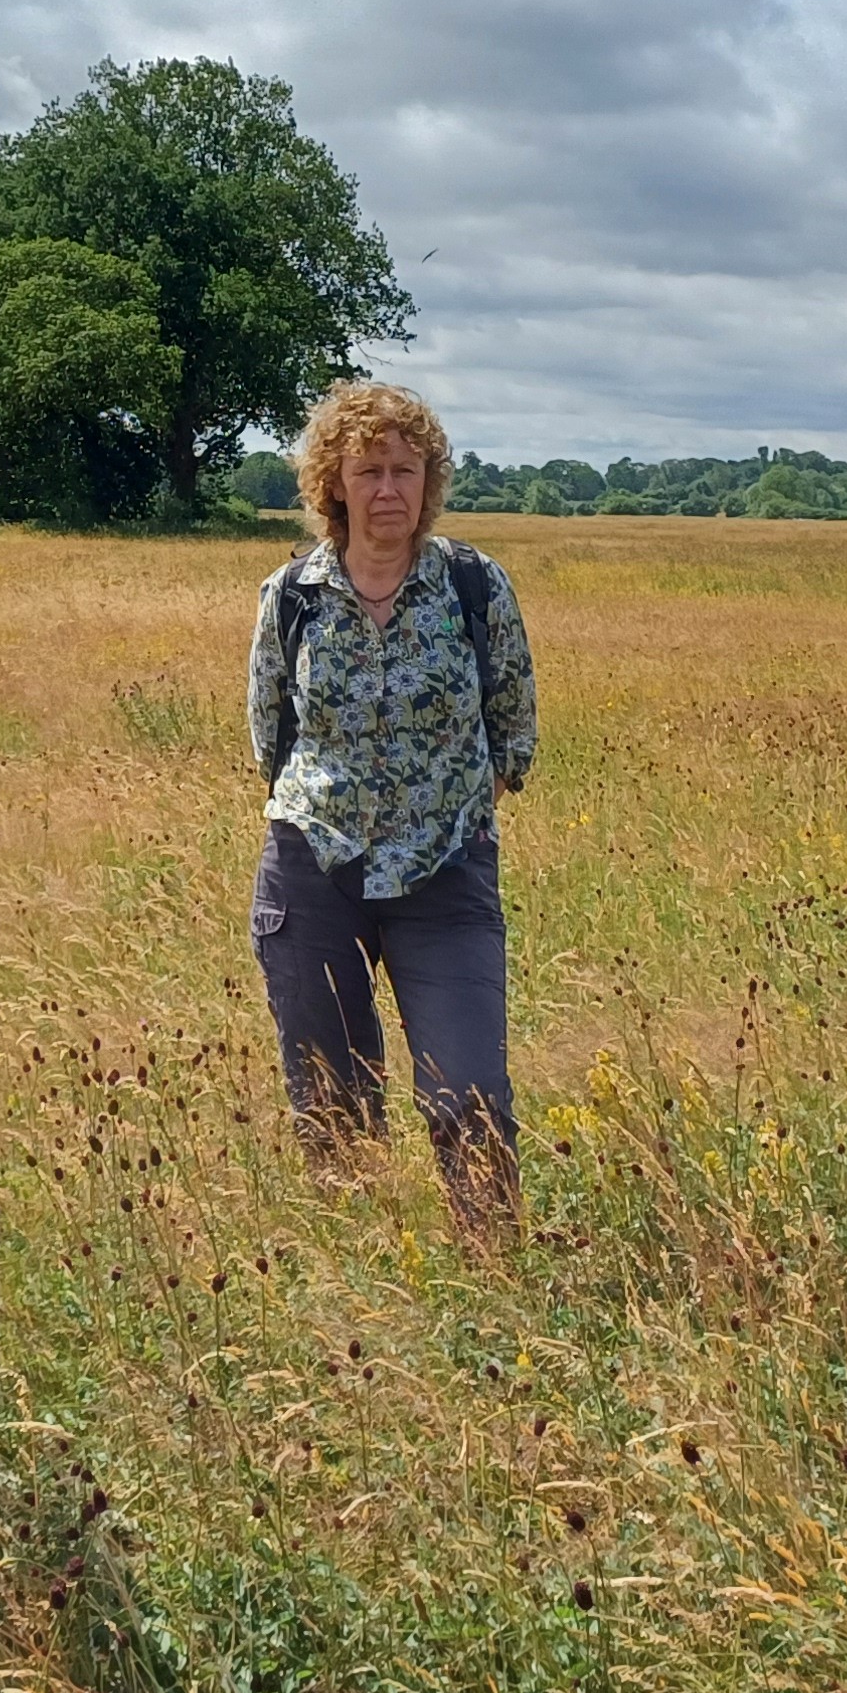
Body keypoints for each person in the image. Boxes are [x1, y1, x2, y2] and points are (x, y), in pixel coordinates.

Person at [244, 378, 536, 1231]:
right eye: (368, 470)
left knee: (469, 1088)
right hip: (313, 871)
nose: (388, 492)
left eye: (406, 471)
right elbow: (269, 733)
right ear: (332, 483)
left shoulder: (474, 588)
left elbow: (514, 729)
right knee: (331, 1097)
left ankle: (493, 1272)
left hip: (445, 872)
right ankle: (368, 1276)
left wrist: (450, 810)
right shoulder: (292, 596)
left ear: (429, 482)